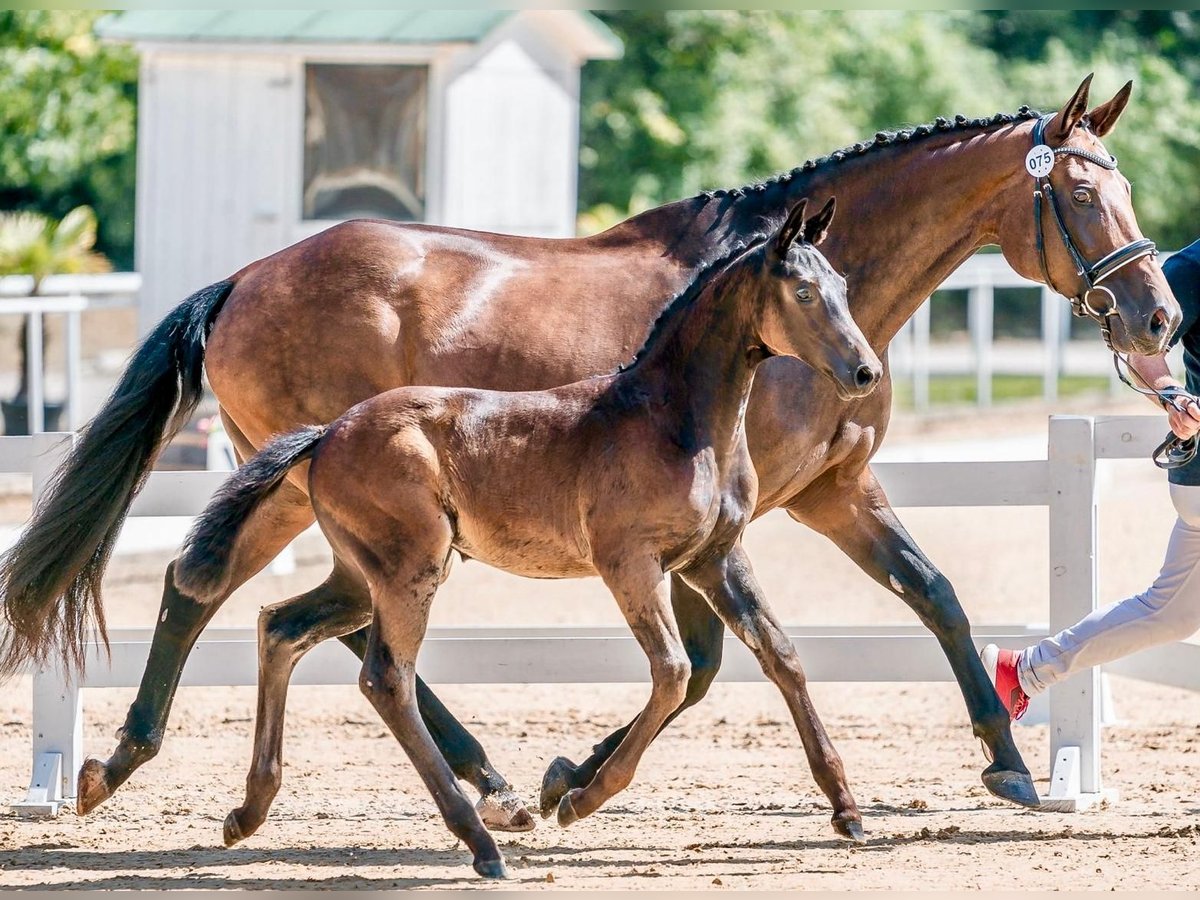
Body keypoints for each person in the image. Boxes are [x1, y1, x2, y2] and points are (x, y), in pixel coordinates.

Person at [982, 237, 1200, 719]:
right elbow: (1138, 342)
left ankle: (1024, 672)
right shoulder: (1195, 266)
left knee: (1171, 613)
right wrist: (1169, 393)